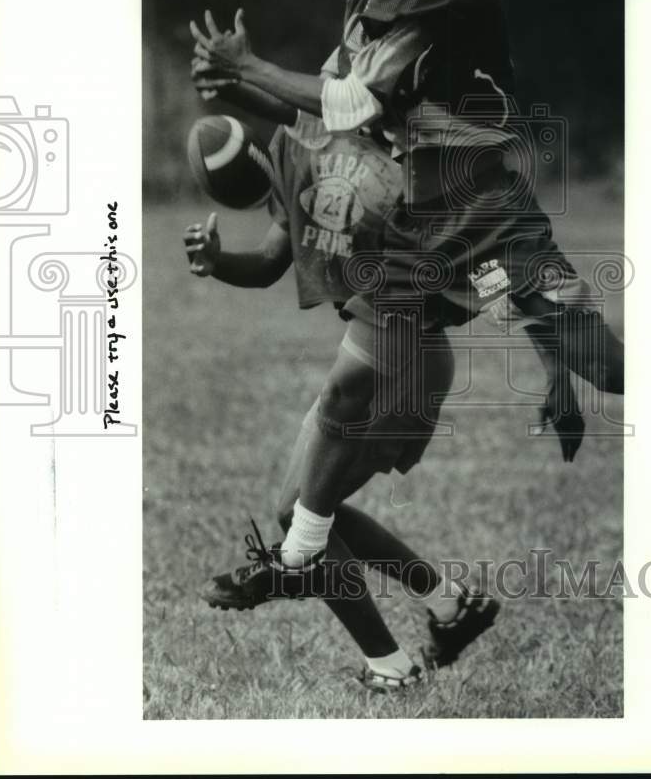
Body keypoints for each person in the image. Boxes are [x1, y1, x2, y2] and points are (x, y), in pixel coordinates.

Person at [189, 0, 623, 685]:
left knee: (605, 366)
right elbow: (330, 109)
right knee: (299, 500)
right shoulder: (384, 17)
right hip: (431, 232)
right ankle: (403, 621)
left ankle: (307, 559)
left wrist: (245, 73)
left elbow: (349, 106)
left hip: (479, 219)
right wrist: (241, 90)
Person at [184, 117, 499, 690]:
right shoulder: (300, 172)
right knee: (298, 510)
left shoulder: (350, 163)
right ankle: (451, 605)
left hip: (399, 360)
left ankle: (390, 664)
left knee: (308, 521)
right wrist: (218, 260)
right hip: (386, 352)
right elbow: (266, 262)